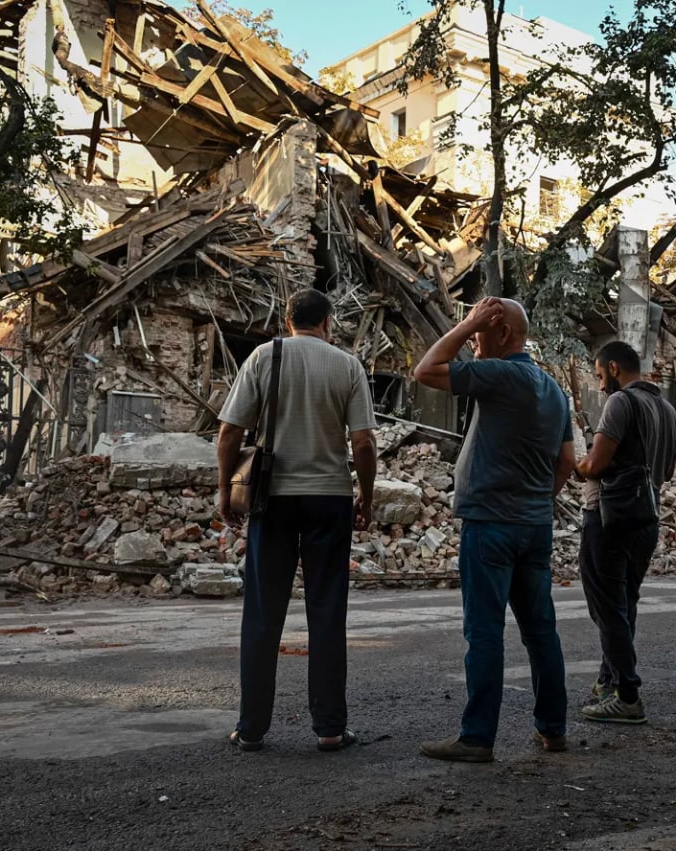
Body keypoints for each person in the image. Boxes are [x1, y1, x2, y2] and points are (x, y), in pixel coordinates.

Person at [412, 297, 575, 763]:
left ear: (502, 334)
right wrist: (539, 499)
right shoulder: (552, 389)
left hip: (491, 524)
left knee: (484, 631)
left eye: (485, 330)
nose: (477, 340)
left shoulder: (502, 375)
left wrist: (468, 324)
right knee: (541, 631)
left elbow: (426, 370)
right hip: (534, 525)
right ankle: (553, 728)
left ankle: (477, 737)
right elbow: (565, 462)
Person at [216, 288, 378, 752]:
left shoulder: (263, 357)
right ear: (327, 322)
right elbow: (363, 443)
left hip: (274, 500)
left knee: (264, 613)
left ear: (288, 321)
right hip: (329, 500)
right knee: (327, 612)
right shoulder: (347, 366)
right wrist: (365, 496)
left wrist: (225, 489)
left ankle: (251, 729)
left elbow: (230, 432)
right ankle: (329, 727)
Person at [574, 341, 676, 723]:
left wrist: (577, 464)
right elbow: (667, 471)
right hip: (646, 518)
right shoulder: (667, 409)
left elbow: (597, 464)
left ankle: (628, 694)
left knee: (607, 605)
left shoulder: (620, 403)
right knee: (624, 603)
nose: (601, 386)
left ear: (615, 368)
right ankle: (610, 680)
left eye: (601, 376)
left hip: (608, 517)